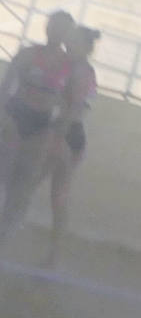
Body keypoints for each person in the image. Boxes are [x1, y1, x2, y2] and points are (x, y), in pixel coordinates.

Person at [0, 9, 75, 249]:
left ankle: (4, 236)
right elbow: (6, 86)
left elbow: (71, 104)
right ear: (47, 27)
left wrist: (58, 135)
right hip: (15, 116)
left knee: (23, 185)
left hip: (42, 126)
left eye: (62, 28)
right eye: (54, 26)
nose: (56, 32)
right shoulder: (28, 54)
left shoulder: (70, 66)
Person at [40, 26, 100, 267]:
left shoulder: (82, 70)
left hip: (65, 134)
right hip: (64, 133)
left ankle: (54, 254)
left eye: (73, 41)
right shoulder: (71, 65)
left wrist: (58, 137)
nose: (68, 44)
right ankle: (53, 254)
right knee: (54, 196)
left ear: (86, 47)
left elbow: (75, 107)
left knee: (51, 194)